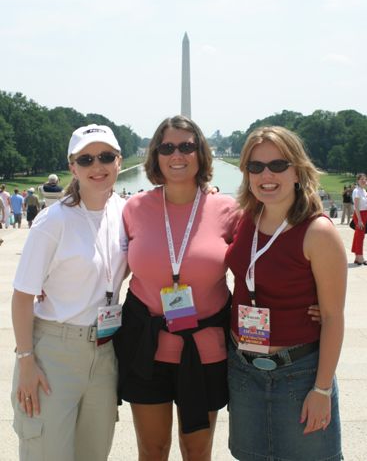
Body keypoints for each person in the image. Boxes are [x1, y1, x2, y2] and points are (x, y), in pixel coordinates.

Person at [113, 115, 239, 461]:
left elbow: (258, 263)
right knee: (152, 451)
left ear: (201, 153)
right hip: (146, 348)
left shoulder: (228, 209)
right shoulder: (134, 208)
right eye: (167, 147)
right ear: (155, 155)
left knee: (196, 452)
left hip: (204, 350)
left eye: (187, 146)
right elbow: (105, 263)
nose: (177, 154)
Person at [225, 126, 346, 461]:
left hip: (299, 373)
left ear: (297, 170)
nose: (267, 175)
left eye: (278, 165)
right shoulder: (245, 218)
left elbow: (334, 317)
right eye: (256, 166)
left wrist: (321, 389)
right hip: (244, 369)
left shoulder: (317, 232)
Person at [11, 124, 128, 461]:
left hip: (104, 352)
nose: (98, 166)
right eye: (86, 159)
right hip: (54, 352)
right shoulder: (53, 221)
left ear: (119, 162)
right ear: (72, 167)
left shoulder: (123, 212)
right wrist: (26, 360)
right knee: (46, 452)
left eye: (106, 156)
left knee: (94, 452)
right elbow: (22, 296)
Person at [351, 173, 367, 265]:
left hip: (364, 214)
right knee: (360, 236)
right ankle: (360, 257)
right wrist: (360, 220)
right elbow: (356, 207)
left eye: (365, 179)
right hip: (359, 215)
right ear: (358, 180)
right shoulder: (357, 191)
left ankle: (357, 257)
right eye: (362, 179)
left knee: (358, 236)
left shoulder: (363, 191)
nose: (364, 181)